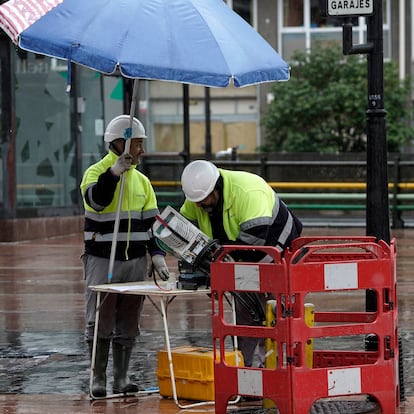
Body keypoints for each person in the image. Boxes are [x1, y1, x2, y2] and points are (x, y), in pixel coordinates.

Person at [179, 160, 302, 367]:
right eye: (197, 201)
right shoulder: (199, 197)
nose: (200, 205)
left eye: (203, 200)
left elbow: (255, 243)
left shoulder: (247, 191)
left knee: (275, 314)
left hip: (278, 250)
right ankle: (243, 372)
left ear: (216, 187)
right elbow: (184, 226)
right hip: (242, 257)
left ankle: (275, 370)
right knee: (245, 314)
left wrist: (220, 270)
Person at [80, 115, 170, 398]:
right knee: (100, 317)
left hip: (134, 261)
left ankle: (121, 376)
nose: (142, 150)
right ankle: (98, 377)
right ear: (121, 142)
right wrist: (113, 174)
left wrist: (156, 255)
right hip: (102, 259)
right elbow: (97, 200)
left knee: (129, 318)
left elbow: (151, 223)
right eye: (138, 143)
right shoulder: (96, 172)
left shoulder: (143, 182)